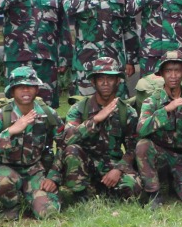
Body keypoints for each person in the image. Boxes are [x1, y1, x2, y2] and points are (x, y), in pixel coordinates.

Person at [0, 66, 62, 221]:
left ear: (37, 89)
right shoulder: (0, 116)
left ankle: (33, 197)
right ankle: (11, 205)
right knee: (3, 180)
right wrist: (10, 131)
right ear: (12, 91)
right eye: (20, 87)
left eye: (30, 86)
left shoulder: (48, 114)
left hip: (35, 171)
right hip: (6, 169)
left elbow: (64, 145)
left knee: (49, 213)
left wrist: (53, 177)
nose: (26, 91)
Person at [134, 51, 182, 207]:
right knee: (143, 144)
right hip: (161, 155)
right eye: (168, 71)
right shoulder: (152, 100)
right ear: (162, 74)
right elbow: (141, 129)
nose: (173, 75)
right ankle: (154, 194)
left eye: (177, 70)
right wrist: (166, 110)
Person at [59, 58, 140, 201]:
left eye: (110, 78)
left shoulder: (127, 111)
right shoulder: (79, 108)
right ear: (93, 82)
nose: (105, 82)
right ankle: (81, 194)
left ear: (118, 81)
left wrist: (119, 169)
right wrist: (95, 120)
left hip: (112, 165)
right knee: (72, 150)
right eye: (101, 78)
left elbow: (133, 147)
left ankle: (104, 190)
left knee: (134, 188)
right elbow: (66, 139)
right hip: (85, 164)